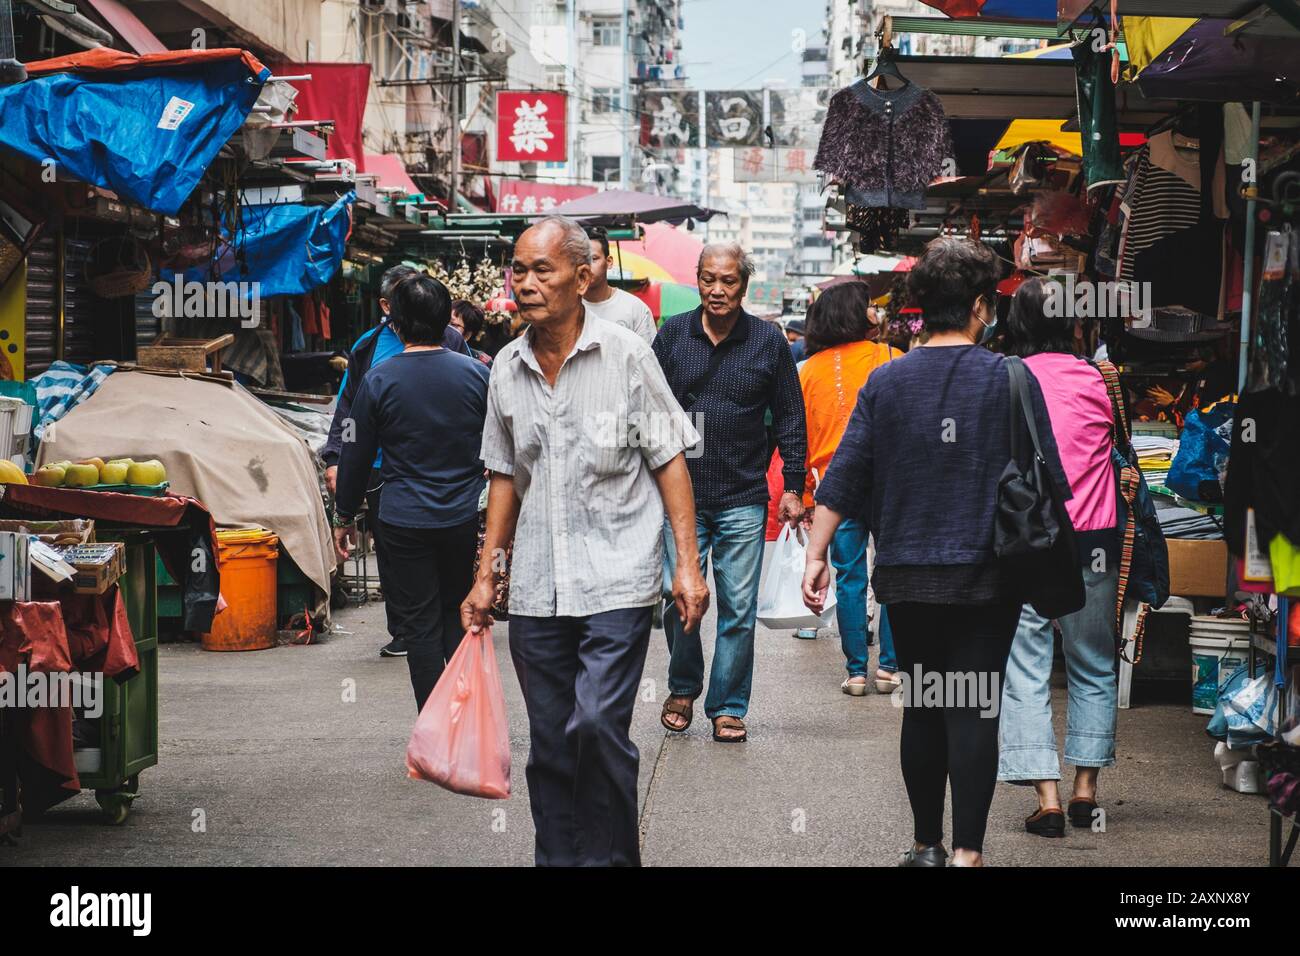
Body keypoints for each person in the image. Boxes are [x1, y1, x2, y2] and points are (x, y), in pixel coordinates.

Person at [801, 237, 1071, 868]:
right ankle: (968, 855)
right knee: (974, 705)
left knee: (923, 704)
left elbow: (846, 471)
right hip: (989, 576)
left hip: (907, 573)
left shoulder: (886, 380)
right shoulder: (1011, 377)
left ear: (921, 306)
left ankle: (926, 844)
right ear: (982, 305)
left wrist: (817, 551)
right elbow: (1047, 473)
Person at [461, 215, 709, 867]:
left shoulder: (626, 355)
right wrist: (489, 572)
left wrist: (687, 565)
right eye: (518, 269)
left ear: (582, 273)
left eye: (542, 269)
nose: (527, 282)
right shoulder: (506, 369)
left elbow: (669, 460)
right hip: (540, 588)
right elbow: (504, 477)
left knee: (596, 727)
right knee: (549, 744)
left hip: (616, 581)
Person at [652, 242, 807, 744]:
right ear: (698, 279)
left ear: (745, 284)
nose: (717, 290)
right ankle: (683, 685)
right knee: (678, 597)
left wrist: (795, 486)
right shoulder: (672, 334)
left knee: (738, 609)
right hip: (681, 498)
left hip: (742, 494)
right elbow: (648, 409)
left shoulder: (768, 341)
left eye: (729, 281)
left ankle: (727, 705)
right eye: (708, 279)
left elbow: (789, 415)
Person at [333, 273, 490, 711]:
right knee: (458, 610)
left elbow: (356, 454)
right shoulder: (477, 375)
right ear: (446, 322)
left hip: (402, 519)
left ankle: (435, 726)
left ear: (396, 323)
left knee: (419, 625)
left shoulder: (379, 380)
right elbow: (500, 448)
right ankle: (465, 715)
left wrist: (343, 519)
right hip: (462, 517)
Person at [998, 277, 1120, 837]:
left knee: (1025, 663)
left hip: (1032, 539)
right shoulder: (1099, 378)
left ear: (1017, 322)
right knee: (1093, 663)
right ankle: (1085, 792)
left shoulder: (1006, 377)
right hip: (1095, 538)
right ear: (1073, 322)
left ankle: (1045, 797)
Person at [799, 283, 900, 695]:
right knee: (891, 573)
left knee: (849, 577)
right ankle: (890, 667)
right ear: (858, 315)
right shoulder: (890, 358)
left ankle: (856, 671)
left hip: (834, 487)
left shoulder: (807, 370)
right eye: (869, 308)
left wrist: (806, 496)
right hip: (888, 480)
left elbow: (801, 439)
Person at [582, 228, 656, 344]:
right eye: (580, 260)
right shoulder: (566, 309)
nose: (586, 266)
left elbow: (648, 358)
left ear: (609, 262)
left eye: (593, 259)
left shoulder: (635, 309)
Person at [449, 299, 492, 365]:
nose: (446, 328)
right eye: (444, 322)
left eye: (453, 325)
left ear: (467, 335)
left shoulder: (481, 363)